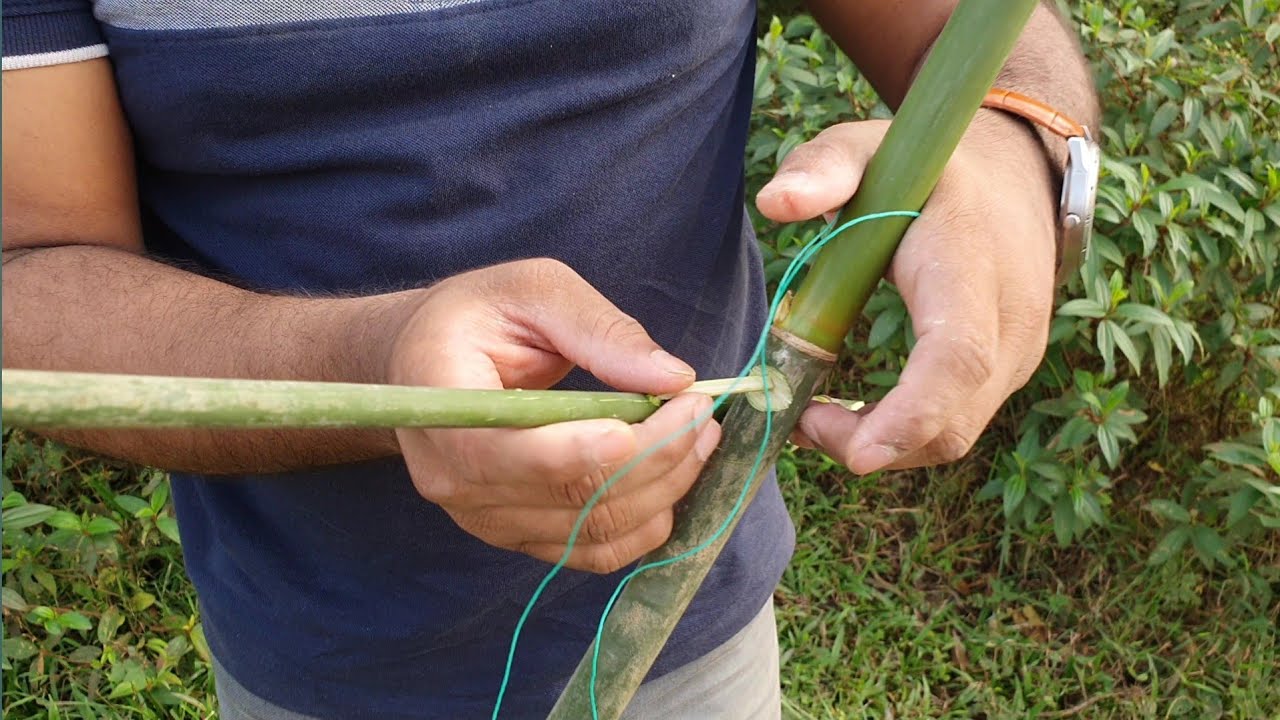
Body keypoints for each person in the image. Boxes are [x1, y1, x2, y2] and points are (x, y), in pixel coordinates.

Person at [2, 1, 1098, 718]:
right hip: (318, 658)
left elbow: (976, 32)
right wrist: (376, 361)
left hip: (694, 629)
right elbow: (30, 266)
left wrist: (1014, 155)